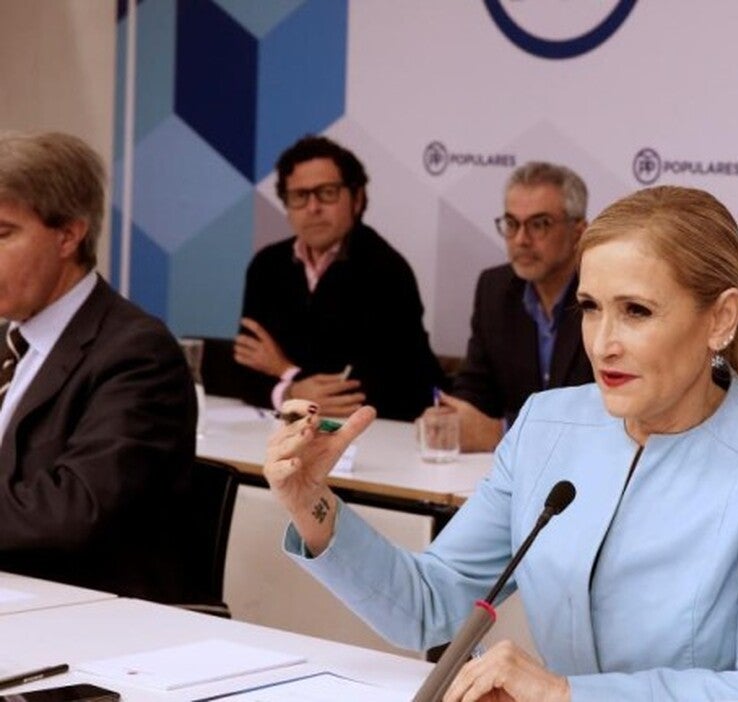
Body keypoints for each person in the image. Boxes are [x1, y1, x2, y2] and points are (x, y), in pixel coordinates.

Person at [265, 186, 738, 701]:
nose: (603, 343)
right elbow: (430, 604)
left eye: (636, 311)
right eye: (590, 309)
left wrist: (565, 694)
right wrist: (313, 504)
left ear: (720, 319)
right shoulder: (546, 424)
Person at [0, 131, 197, 601]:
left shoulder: (137, 353)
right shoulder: (8, 340)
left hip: (87, 610)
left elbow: (73, 510)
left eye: (2, 234)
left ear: (69, 235)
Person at [233, 135, 445, 421]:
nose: (313, 208)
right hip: (286, 428)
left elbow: (376, 388)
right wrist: (290, 393)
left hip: (374, 433)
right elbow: (246, 372)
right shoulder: (266, 266)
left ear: (356, 199)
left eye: (327, 192)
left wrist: (284, 370)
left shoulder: (386, 271)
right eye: (299, 196)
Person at [429, 162, 594, 451]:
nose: (521, 240)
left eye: (539, 224)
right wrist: (452, 416)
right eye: (512, 224)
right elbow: (475, 385)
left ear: (578, 232)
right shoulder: (494, 288)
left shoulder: (603, 297)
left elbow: (599, 412)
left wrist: (502, 433)